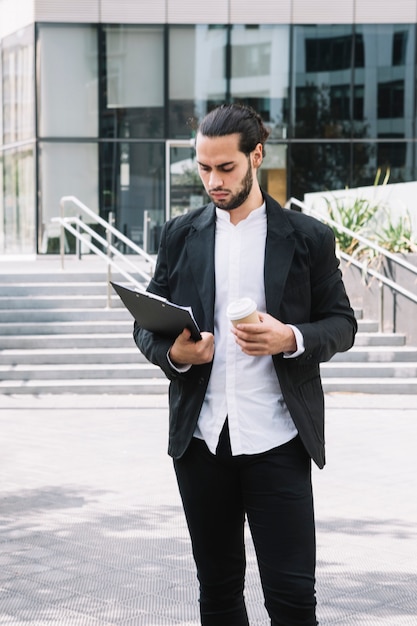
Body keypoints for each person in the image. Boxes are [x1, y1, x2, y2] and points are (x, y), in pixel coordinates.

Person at [134, 103, 357, 626]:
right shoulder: (178, 235)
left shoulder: (307, 237)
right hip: (202, 442)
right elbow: (145, 321)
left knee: (294, 602)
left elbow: (342, 324)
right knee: (217, 596)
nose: (213, 180)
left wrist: (290, 337)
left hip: (276, 441)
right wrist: (174, 354)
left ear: (256, 155)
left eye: (226, 168)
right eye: (204, 168)